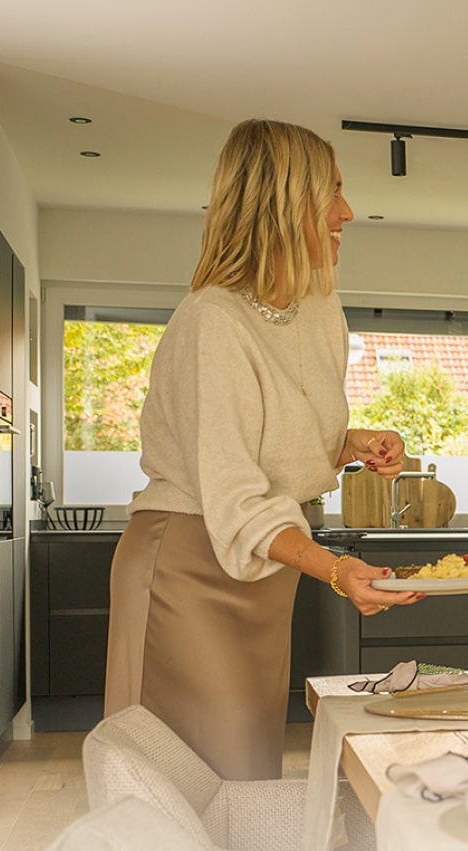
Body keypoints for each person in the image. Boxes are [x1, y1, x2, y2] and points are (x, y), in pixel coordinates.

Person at [105, 118, 421, 781]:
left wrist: (345, 444)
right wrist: (334, 570)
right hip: (187, 562)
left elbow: (269, 441)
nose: (347, 211)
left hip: (263, 567)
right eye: (331, 192)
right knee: (182, 782)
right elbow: (230, 484)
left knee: (245, 773)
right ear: (285, 202)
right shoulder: (211, 320)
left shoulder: (320, 308)